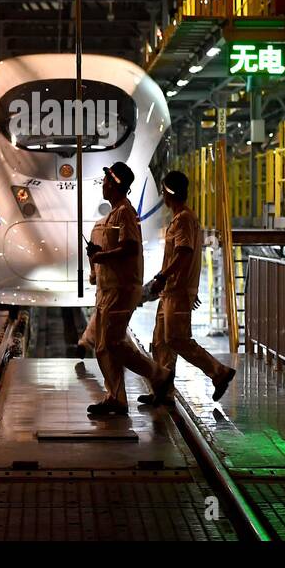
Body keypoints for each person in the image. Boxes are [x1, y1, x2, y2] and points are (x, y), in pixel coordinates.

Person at [85, 161, 174, 416]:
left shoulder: (125, 212)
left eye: (105, 182)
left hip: (121, 289)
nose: (102, 185)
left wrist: (101, 257)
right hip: (107, 289)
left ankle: (159, 375)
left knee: (113, 342)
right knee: (102, 346)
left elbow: (130, 247)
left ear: (114, 185)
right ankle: (115, 397)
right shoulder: (114, 214)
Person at [140, 171, 235, 405]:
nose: (162, 195)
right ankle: (163, 389)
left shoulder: (183, 219)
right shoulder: (182, 217)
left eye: (163, 190)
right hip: (172, 291)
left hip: (176, 290)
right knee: (161, 341)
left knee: (177, 339)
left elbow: (184, 253)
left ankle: (218, 372)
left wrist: (163, 276)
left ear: (169, 192)